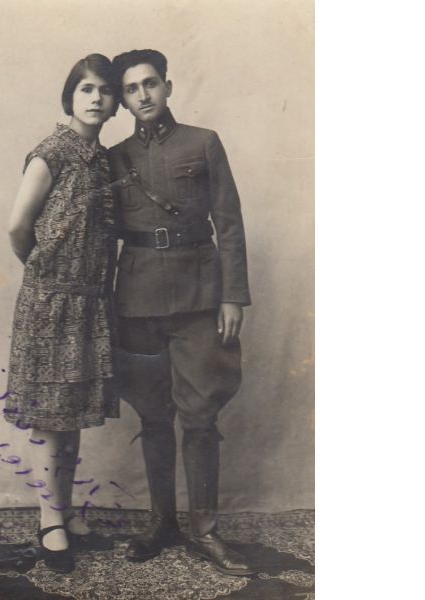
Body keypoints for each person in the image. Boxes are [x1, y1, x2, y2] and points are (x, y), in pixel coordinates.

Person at [108, 49, 254, 576]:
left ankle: (206, 530)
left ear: (167, 87)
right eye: (131, 89)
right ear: (123, 100)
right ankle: (161, 522)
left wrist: (232, 295)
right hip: (138, 301)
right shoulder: (115, 158)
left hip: (199, 296)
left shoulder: (203, 142)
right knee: (152, 414)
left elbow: (229, 222)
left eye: (150, 83)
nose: (143, 95)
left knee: (200, 415)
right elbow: (103, 237)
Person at [5, 54, 119, 574]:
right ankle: (49, 519)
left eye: (104, 91)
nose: (96, 99)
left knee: (70, 414)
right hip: (51, 303)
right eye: (86, 89)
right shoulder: (50, 153)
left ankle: (66, 512)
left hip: (90, 303)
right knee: (49, 416)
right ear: (70, 97)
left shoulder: (104, 162)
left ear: (114, 104)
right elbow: (17, 227)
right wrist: (46, 275)